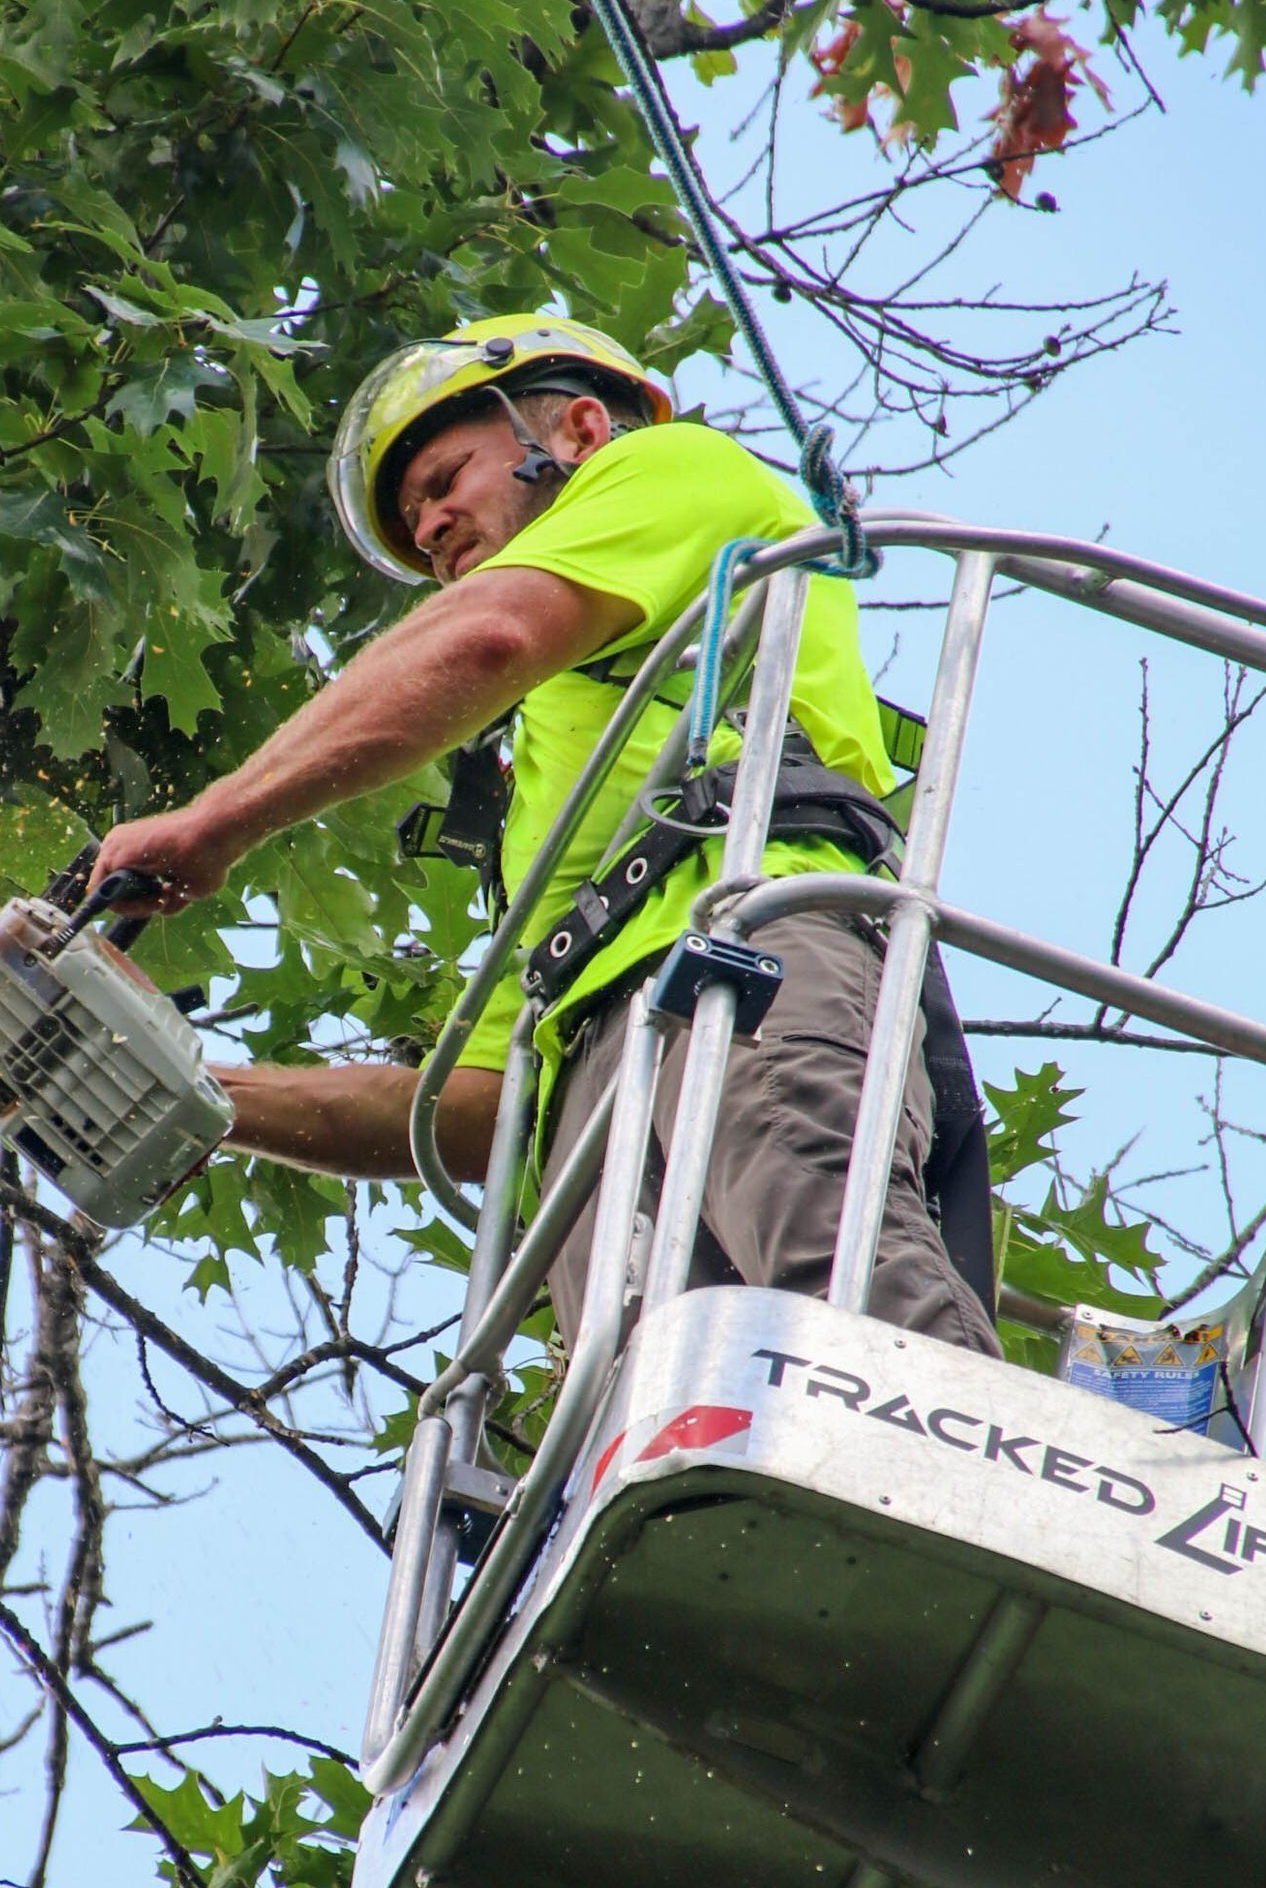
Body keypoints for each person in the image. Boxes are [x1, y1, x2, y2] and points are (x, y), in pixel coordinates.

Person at [91, 318, 999, 1357]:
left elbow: (489, 632)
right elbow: (474, 1110)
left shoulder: (674, 468)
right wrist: (189, 1085)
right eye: (415, 519)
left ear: (574, 429)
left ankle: (1001, 1498)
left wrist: (214, 823)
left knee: (837, 1288)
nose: (429, 529)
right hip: (604, 1098)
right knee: (669, 1413)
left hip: (748, 968)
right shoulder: (556, 806)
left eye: (443, 481)